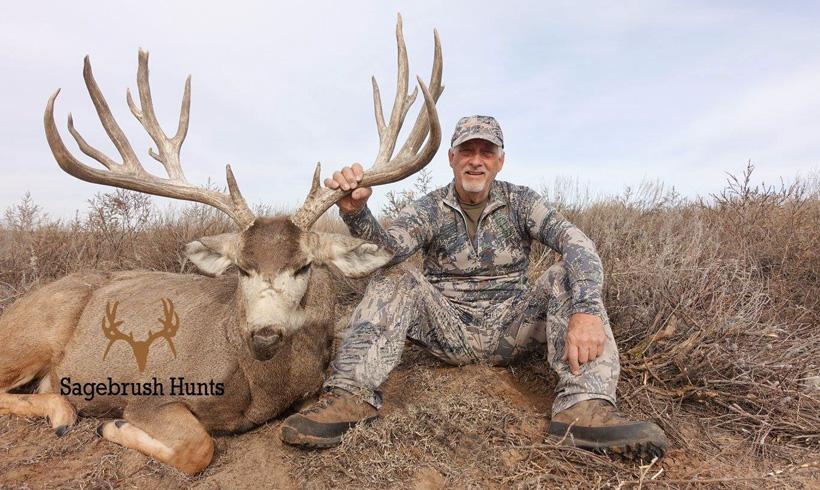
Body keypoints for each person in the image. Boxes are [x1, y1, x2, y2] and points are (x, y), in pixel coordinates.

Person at [280, 116, 667, 459]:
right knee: (395, 276)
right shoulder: (429, 208)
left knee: (569, 273)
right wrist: (356, 212)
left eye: (486, 151)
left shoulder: (521, 202)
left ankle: (584, 406)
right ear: (452, 158)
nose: (476, 160)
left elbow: (578, 244)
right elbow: (384, 253)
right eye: (467, 151)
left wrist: (584, 311)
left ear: (500, 161)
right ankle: (349, 396)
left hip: (511, 329)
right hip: (447, 329)